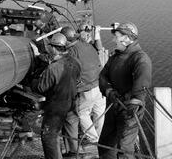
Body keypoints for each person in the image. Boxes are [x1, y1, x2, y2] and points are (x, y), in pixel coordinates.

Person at [98, 22, 152, 159]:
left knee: (124, 150)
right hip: (113, 106)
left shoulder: (140, 58)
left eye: (116, 36)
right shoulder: (115, 57)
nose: (113, 40)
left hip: (130, 111)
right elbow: (103, 76)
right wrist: (109, 90)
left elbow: (141, 87)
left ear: (127, 38)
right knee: (105, 143)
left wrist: (133, 103)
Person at [31, 33, 81, 159]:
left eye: (50, 47)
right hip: (73, 103)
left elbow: (41, 88)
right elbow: (78, 79)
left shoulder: (53, 68)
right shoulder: (75, 62)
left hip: (56, 108)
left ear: (53, 48)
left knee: (49, 137)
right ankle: (73, 155)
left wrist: (33, 80)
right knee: (70, 131)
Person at [61, 25, 106, 154]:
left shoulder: (72, 51)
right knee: (99, 111)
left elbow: (68, 69)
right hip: (99, 84)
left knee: (82, 113)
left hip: (86, 88)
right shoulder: (87, 45)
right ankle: (100, 136)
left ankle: (93, 138)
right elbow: (98, 48)